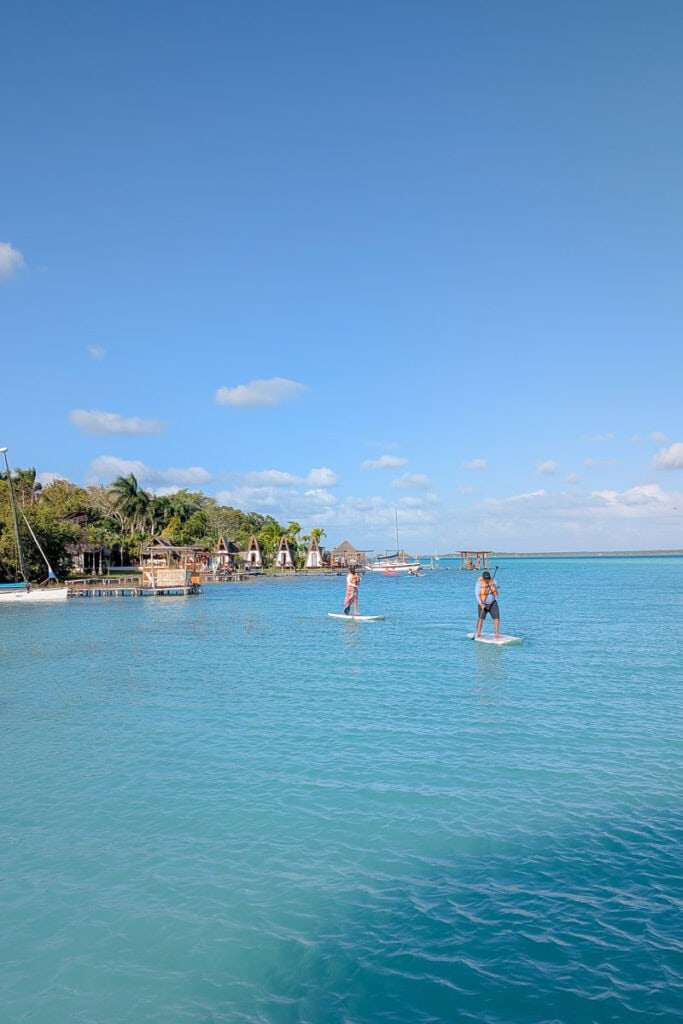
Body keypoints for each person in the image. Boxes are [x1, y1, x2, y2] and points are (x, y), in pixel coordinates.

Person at [474, 569, 500, 637]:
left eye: (488, 578)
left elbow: (497, 586)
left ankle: (496, 632)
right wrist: (481, 604)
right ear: (483, 578)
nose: (487, 580)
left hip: (492, 603)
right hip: (483, 604)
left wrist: (494, 585)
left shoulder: (493, 581)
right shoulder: (479, 583)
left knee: (496, 618)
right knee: (481, 619)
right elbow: (477, 594)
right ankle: (478, 632)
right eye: (486, 579)